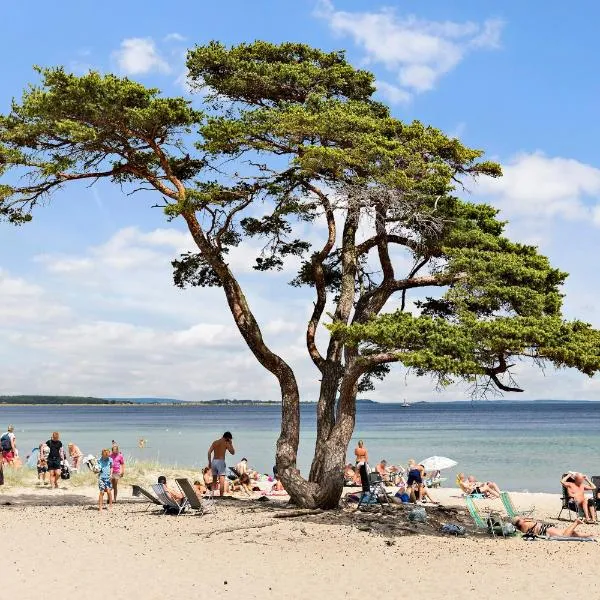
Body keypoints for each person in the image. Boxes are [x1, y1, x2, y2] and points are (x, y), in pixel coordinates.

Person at [207, 431, 235, 497]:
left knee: (214, 480)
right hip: (221, 461)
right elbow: (233, 452)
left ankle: (212, 495)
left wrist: (209, 462)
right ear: (228, 438)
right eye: (230, 439)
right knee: (222, 480)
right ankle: (221, 496)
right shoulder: (226, 443)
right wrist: (231, 444)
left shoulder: (215, 442)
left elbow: (209, 452)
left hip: (214, 461)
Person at [513, 516, 592, 538]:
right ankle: (590, 535)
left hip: (544, 530)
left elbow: (524, 532)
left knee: (564, 535)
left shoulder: (523, 525)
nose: (522, 519)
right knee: (571, 533)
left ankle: (576, 523)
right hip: (544, 527)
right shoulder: (526, 521)